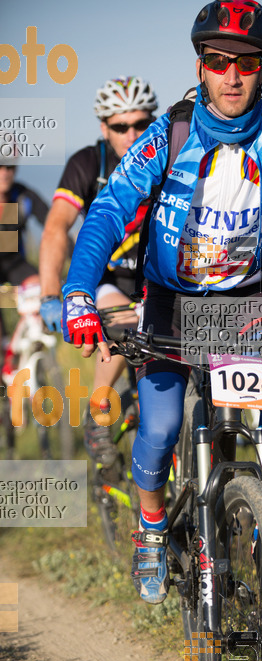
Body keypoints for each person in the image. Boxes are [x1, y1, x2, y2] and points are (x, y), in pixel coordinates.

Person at [60, 0, 262, 605]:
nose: (233, 76)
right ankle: (153, 528)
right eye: (219, 61)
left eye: (247, 62)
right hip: (170, 303)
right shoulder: (170, 135)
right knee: (158, 429)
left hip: (248, 303)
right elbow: (107, 211)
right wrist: (79, 290)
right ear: (201, 65)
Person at [39, 76, 158, 466]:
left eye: (141, 124)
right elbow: (57, 228)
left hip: (157, 280)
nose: (132, 134)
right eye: (121, 126)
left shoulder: (167, 157)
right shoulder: (88, 163)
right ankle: (98, 415)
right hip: (109, 279)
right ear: (104, 127)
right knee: (125, 320)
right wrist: (50, 294)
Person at [0, 159, 48, 381]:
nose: (5, 172)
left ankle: (32, 357)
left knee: (42, 290)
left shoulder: (21, 196)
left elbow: (53, 228)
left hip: (15, 267)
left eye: (10, 166)